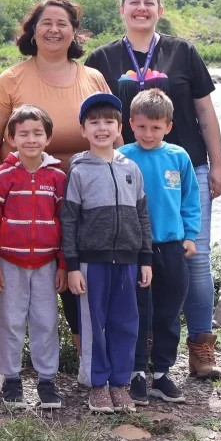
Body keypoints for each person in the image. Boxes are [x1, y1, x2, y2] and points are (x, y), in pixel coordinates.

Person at [87, 0, 221, 379]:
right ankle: (143, 350)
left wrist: (218, 165)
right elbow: (97, 119)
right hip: (125, 174)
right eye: (134, 2)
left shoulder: (183, 51)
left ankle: (200, 346)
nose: (142, 8)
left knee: (194, 259)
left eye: (149, 2)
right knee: (136, 262)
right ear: (122, 9)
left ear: (160, 10)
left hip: (186, 169)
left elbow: (205, 113)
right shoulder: (102, 58)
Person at [0, 0, 111, 394]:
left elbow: (111, 133)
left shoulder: (93, 78)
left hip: (81, 198)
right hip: (19, 196)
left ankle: (87, 360)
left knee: (74, 273)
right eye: (45, 23)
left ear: (74, 32)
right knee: (9, 282)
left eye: (62, 23)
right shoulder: (11, 79)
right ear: (32, 31)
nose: (54, 29)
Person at [62, 93, 152, 414]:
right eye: (94, 122)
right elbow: (69, 221)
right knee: (93, 325)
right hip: (91, 262)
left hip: (128, 261)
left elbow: (142, 214)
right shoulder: (78, 171)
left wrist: (145, 259)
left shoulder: (131, 168)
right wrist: (72, 266)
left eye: (109, 122)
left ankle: (119, 384)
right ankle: (97, 384)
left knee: (126, 323)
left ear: (119, 128)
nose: (102, 128)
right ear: (83, 129)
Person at [119, 89, 201, 405]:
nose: (148, 134)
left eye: (155, 128)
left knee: (169, 311)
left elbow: (190, 199)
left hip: (171, 246)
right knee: (137, 311)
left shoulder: (178, 157)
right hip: (135, 247)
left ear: (168, 126)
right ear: (130, 124)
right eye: (141, 127)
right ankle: (137, 372)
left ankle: (162, 373)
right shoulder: (122, 157)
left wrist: (190, 235)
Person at [0, 105, 67, 410]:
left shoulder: (57, 177)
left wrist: (63, 264)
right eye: (23, 134)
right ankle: (12, 379)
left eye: (37, 133)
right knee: (10, 321)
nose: (31, 139)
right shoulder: (1, 177)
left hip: (46, 264)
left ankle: (47, 380)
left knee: (46, 321)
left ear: (48, 138)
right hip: (9, 263)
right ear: (11, 138)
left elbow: (65, 223)